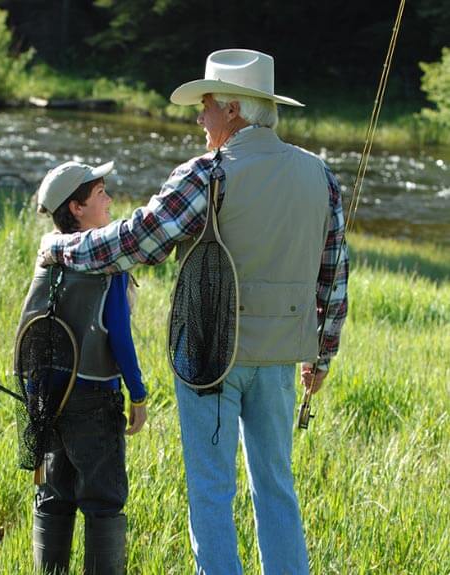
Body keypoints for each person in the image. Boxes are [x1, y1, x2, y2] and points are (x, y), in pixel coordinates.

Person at [39, 49, 349, 575]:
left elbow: (138, 242)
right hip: (279, 358)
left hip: (209, 356)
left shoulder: (206, 173)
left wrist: (62, 248)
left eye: (205, 105)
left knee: (211, 490)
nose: (199, 117)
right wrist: (322, 355)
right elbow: (334, 274)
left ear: (233, 109)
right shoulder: (320, 175)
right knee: (276, 486)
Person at [17, 160, 147, 575]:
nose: (110, 199)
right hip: (95, 398)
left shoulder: (46, 257)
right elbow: (119, 337)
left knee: (55, 495)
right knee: (104, 500)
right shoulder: (107, 263)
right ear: (76, 208)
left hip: (49, 400)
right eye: (100, 194)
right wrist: (139, 393)